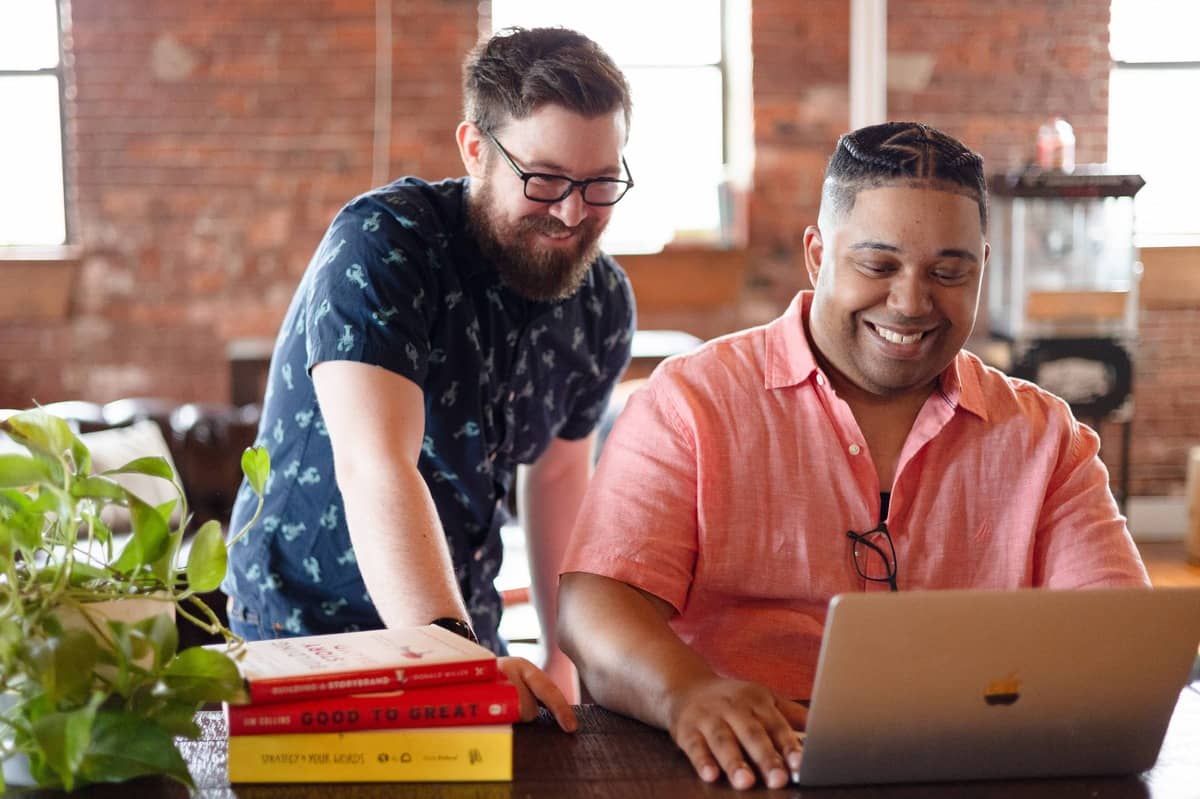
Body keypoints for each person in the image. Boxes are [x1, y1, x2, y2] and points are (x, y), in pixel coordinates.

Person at [556, 122, 1150, 789]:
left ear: (983, 264)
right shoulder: (693, 402)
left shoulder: (1046, 437)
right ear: (817, 254)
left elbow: (1117, 641)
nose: (911, 301)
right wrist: (686, 693)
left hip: (971, 768)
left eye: (950, 272)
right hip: (740, 767)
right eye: (879, 264)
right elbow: (594, 603)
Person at [222, 27, 637, 731]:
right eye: (544, 180)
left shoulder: (602, 302)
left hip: (463, 625)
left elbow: (561, 479)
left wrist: (565, 664)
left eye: (600, 182)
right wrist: (453, 663)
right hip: (305, 632)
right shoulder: (382, 246)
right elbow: (376, 464)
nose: (573, 212)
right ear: (475, 150)